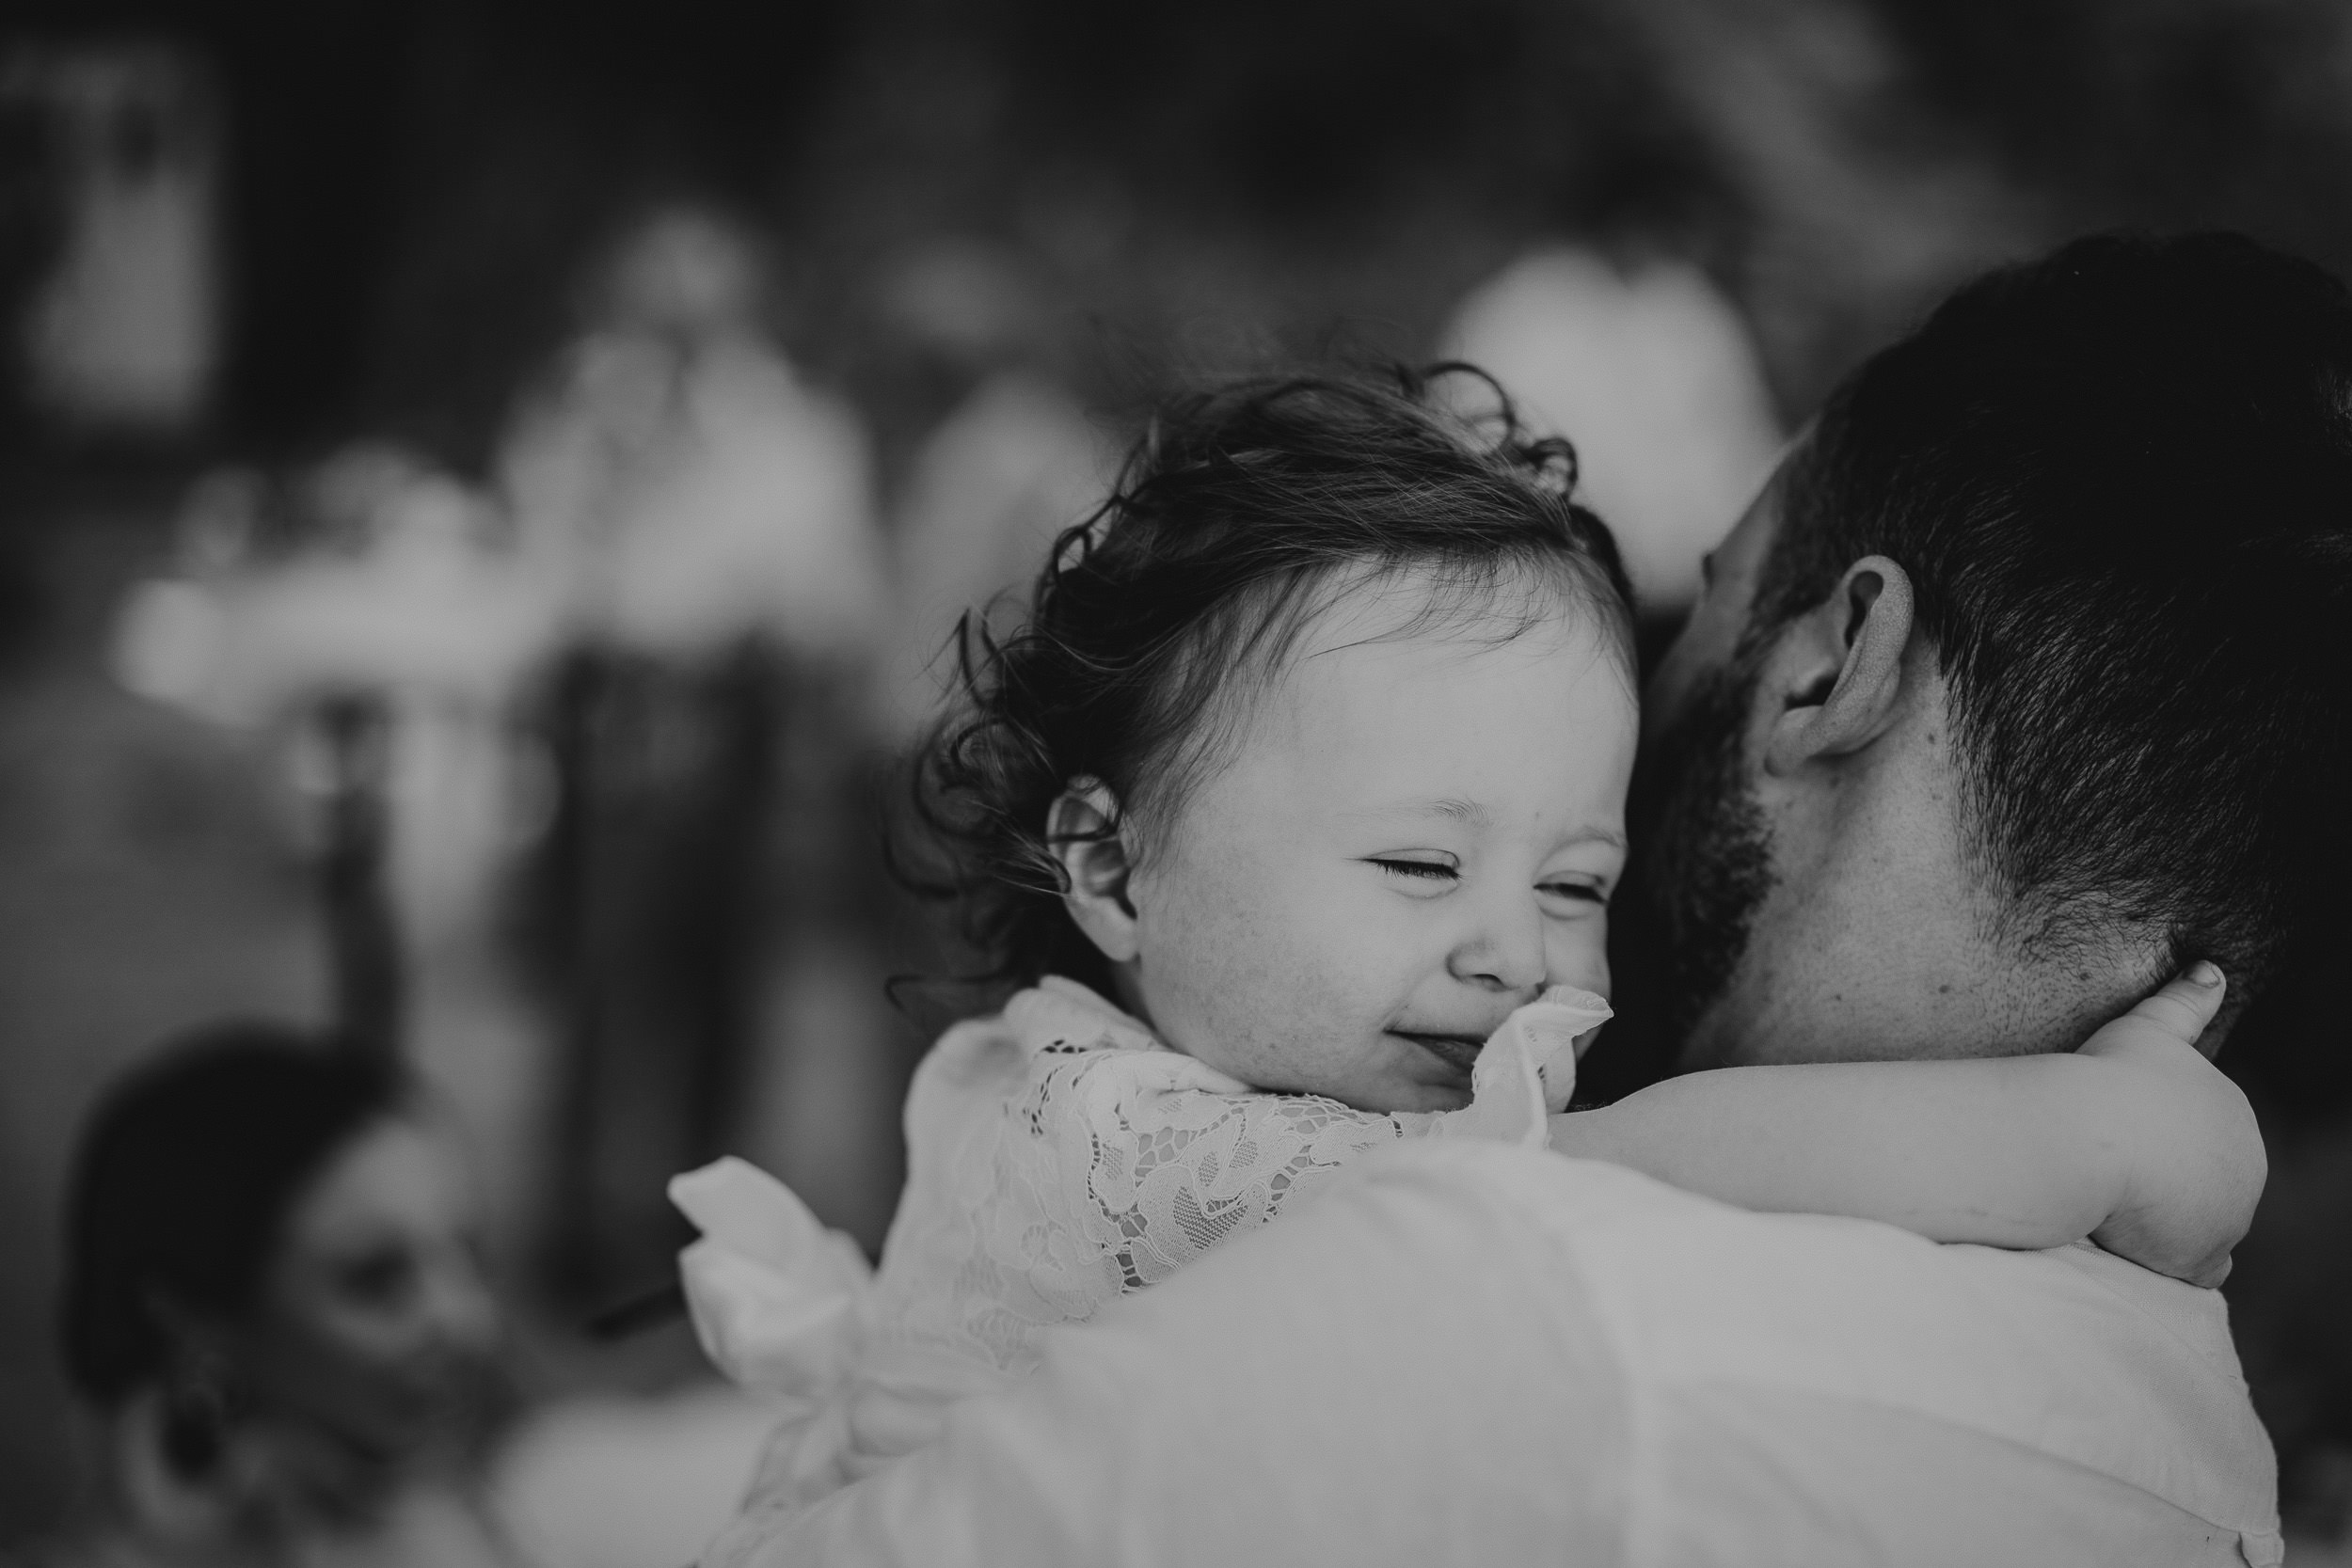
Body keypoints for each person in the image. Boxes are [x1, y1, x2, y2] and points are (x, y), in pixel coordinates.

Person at [691, 233, 2341, 1567]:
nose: (1513, 955)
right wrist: (2106, 1135)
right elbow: (1623, 1174)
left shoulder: (1504, 1295)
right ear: (1111, 865)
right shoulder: (1130, 1140)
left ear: (1839, 667)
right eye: (1418, 861)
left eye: (1577, 878)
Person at [24, 1024, 521, 1568]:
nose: (472, 1323)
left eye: (470, 1256)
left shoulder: (465, 1527)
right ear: (191, 1318)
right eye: (376, 1280)